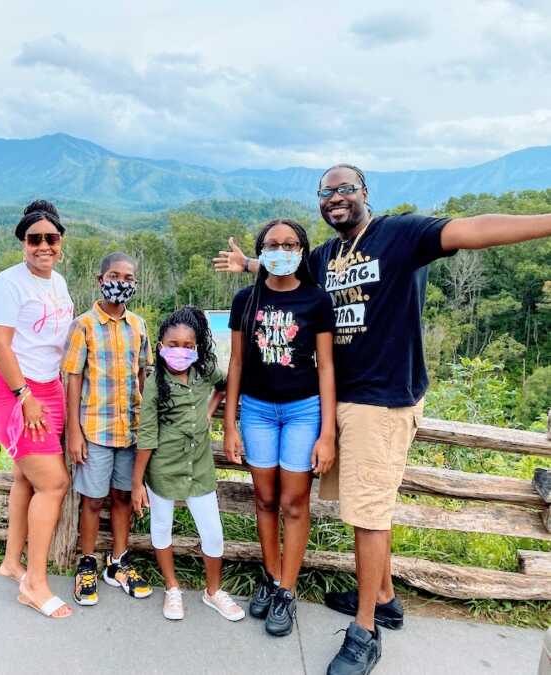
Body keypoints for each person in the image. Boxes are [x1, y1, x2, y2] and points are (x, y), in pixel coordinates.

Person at [214, 164, 551, 673]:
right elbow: (287, 281)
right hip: (338, 400)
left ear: (365, 192)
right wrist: (248, 267)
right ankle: (385, 597)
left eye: (346, 189)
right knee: (362, 504)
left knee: (367, 516)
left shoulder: (401, 234)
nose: (336, 198)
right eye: (327, 193)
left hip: (383, 399)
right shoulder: (327, 256)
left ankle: (365, 630)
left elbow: (474, 228)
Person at [222, 219, 336, 638]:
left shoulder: (316, 301)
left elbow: (326, 366)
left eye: (290, 244)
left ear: (302, 250)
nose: (282, 250)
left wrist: (327, 432)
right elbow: (235, 363)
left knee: (294, 502)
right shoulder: (245, 300)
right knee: (265, 498)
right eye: (273, 244)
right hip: (256, 409)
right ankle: (271, 577)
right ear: (261, 249)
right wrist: (230, 422)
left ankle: (287, 590)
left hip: (303, 411)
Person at [0, 200, 75, 619]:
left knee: (27, 476)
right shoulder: (7, 284)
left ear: (61, 242)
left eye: (50, 238)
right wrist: (25, 395)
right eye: (34, 239)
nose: (43, 246)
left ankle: (11, 562)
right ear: (22, 242)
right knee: (53, 483)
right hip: (14, 391)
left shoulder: (59, 283)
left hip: (48, 387)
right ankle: (34, 584)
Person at [131, 306, 245, 622]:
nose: (180, 351)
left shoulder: (204, 371)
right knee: (161, 527)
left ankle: (213, 591)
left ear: (197, 348)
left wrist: (210, 411)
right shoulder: (156, 383)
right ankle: (172, 588)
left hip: (199, 468)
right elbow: (147, 435)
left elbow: (225, 383)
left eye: (187, 346)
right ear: (160, 346)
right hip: (163, 469)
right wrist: (137, 483)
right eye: (173, 345)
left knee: (212, 532)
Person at [62, 251, 154, 606]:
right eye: (115, 276)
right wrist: (74, 430)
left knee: (122, 498)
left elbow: (142, 377)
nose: (122, 283)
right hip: (95, 430)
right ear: (100, 280)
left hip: (129, 431)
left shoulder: (139, 326)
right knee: (92, 499)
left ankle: (118, 561)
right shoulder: (84, 325)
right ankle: (87, 561)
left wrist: (146, 426)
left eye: (128, 278)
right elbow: (73, 379)